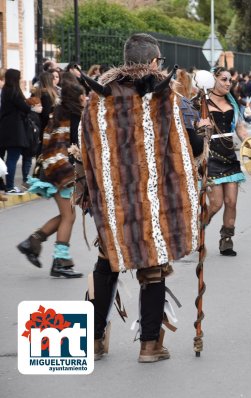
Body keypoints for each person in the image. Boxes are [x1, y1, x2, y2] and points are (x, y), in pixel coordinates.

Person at [79, 33, 203, 363]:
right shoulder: (164, 99)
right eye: (159, 60)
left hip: (112, 199)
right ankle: (150, 346)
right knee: (152, 268)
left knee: (107, 265)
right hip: (152, 200)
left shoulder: (97, 99)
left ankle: (91, 340)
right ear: (151, 62)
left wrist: (91, 195)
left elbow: (88, 152)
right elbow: (186, 148)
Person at [17, 80, 86, 278]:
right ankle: (60, 261)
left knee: (66, 214)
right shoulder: (74, 117)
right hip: (62, 170)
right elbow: (76, 145)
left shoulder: (58, 114)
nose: (85, 98)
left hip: (51, 167)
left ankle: (33, 242)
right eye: (83, 95)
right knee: (69, 216)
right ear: (77, 97)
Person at [193, 67, 249, 256]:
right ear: (212, 80)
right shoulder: (200, 103)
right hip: (210, 158)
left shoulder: (233, 102)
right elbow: (190, 129)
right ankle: (197, 230)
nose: (227, 83)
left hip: (229, 157)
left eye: (230, 81)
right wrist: (199, 127)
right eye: (224, 79)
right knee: (215, 203)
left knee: (231, 202)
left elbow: (240, 128)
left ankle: (227, 239)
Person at [0, 69, 42, 194]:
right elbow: (24, 107)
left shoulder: (6, 91)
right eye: (19, 77)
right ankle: (10, 186)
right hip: (15, 130)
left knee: (9, 158)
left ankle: (8, 185)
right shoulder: (14, 92)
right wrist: (34, 109)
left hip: (5, 128)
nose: (21, 80)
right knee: (13, 158)